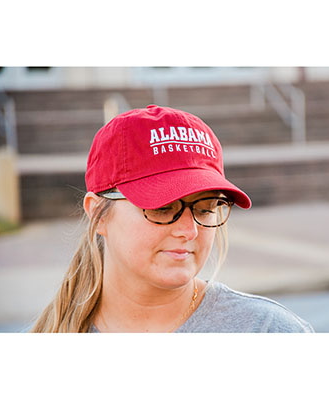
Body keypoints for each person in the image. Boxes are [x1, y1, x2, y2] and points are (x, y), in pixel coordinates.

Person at [31, 105, 314, 333]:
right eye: (162, 208)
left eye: (205, 208)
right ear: (98, 214)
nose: (189, 230)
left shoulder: (268, 332)